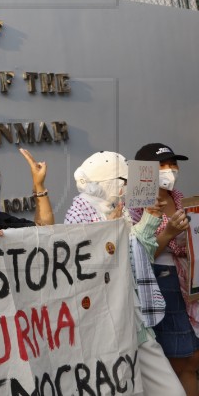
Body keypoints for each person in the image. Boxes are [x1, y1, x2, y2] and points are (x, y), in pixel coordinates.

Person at [64, 151, 186, 395]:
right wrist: (107, 231)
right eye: (124, 182)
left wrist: (149, 219)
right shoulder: (78, 215)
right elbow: (86, 269)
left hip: (135, 320)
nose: (129, 188)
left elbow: (140, 254)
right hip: (102, 328)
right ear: (111, 182)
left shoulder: (121, 210)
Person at [131, 143, 198, 396]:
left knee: (191, 361)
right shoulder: (138, 205)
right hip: (161, 282)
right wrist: (169, 232)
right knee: (180, 360)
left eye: (173, 164)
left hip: (188, 283)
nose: (170, 170)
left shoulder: (180, 199)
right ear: (144, 172)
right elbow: (139, 254)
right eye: (163, 165)